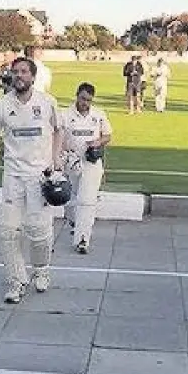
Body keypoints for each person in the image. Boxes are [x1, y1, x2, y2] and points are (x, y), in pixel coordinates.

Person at [0, 57, 63, 304]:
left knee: (39, 232)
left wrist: (55, 159)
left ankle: (41, 271)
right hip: (13, 177)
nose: (19, 76)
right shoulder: (3, 105)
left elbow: (59, 130)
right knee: (7, 231)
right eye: (15, 72)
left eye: (24, 72)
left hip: (39, 177)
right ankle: (16, 281)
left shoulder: (47, 102)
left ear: (33, 76)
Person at [61, 82, 112, 254]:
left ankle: (82, 239)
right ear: (77, 95)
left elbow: (108, 135)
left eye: (89, 100)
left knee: (87, 201)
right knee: (72, 199)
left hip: (91, 162)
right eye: (83, 99)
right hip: (71, 161)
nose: (85, 103)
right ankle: (74, 222)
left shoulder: (98, 115)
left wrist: (97, 142)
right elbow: (58, 139)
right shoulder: (65, 115)